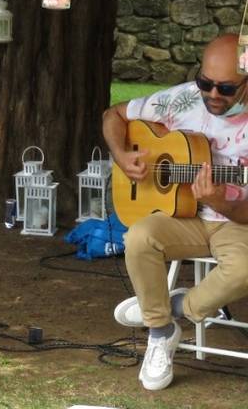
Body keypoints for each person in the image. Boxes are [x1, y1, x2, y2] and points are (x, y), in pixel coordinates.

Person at [103, 33, 248, 391]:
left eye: (227, 88)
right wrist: (121, 155)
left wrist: (218, 199)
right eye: (206, 83)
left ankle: (176, 308)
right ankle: (160, 330)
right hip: (182, 215)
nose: (213, 94)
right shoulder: (182, 99)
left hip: (234, 221)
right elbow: (113, 115)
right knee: (139, 236)